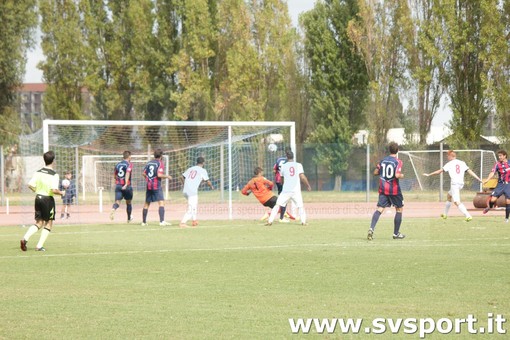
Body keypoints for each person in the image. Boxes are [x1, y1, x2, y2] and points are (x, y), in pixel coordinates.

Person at [20, 150, 66, 252]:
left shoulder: (38, 172)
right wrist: (62, 193)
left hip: (38, 198)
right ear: (53, 161)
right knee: (48, 223)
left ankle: (25, 238)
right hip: (47, 200)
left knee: (39, 222)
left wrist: (37, 191)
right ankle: (39, 246)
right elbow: (53, 190)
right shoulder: (54, 174)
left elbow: (30, 185)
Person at [423, 150, 482, 221]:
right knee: (449, 196)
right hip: (461, 183)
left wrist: (429, 174)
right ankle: (445, 214)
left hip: (455, 184)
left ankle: (468, 215)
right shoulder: (462, 162)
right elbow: (469, 171)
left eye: (448, 156)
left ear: (451, 156)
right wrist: (478, 178)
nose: (447, 157)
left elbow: (439, 171)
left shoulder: (450, 164)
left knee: (456, 202)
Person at [367, 142, 406, 241]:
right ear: (397, 151)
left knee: (380, 209)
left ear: (389, 150)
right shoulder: (398, 161)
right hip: (394, 190)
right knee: (399, 209)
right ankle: (396, 233)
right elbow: (397, 175)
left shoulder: (382, 161)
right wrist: (402, 175)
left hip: (383, 189)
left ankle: (371, 228)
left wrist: (381, 172)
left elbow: (375, 172)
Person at [266, 150, 311, 226]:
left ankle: (270, 221)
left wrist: (284, 185)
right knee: (300, 206)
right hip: (295, 191)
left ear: (286, 157)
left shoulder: (283, 166)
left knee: (277, 205)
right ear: (293, 157)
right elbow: (302, 177)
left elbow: (282, 179)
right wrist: (308, 185)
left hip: (286, 190)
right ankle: (303, 222)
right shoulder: (298, 165)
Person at [179, 157, 214, 228]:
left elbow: (181, 177)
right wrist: (211, 187)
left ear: (196, 162)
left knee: (193, 206)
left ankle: (194, 221)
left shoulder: (190, 168)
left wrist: (184, 184)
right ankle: (183, 223)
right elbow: (208, 181)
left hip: (185, 191)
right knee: (191, 208)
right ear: (203, 163)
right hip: (192, 191)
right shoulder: (203, 170)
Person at [141, 148, 172, 226]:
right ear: (161, 156)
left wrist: (148, 179)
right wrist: (167, 176)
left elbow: (143, 173)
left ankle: (144, 222)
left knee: (147, 203)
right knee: (161, 202)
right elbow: (159, 175)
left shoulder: (149, 163)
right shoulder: (160, 163)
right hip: (156, 185)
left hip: (149, 185)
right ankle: (162, 221)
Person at [482, 149, 510, 221]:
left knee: (508, 201)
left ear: (505, 156)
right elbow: (492, 173)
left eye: (500, 156)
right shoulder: (497, 164)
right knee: (493, 200)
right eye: (499, 156)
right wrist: (487, 180)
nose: (499, 157)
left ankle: (506, 219)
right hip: (500, 184)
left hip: (508, 185)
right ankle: (489, 207)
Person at [110, 151, 134, 222]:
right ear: (129, 156)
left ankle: (113, 209)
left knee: (117, 202)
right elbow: (127, 173)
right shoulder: (129, 164)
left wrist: (118, 181)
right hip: (127, 186)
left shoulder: (117, 164)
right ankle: (129, 218)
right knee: (128, 202)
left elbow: (114, 176)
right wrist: (126, 184)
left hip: (118, 186)